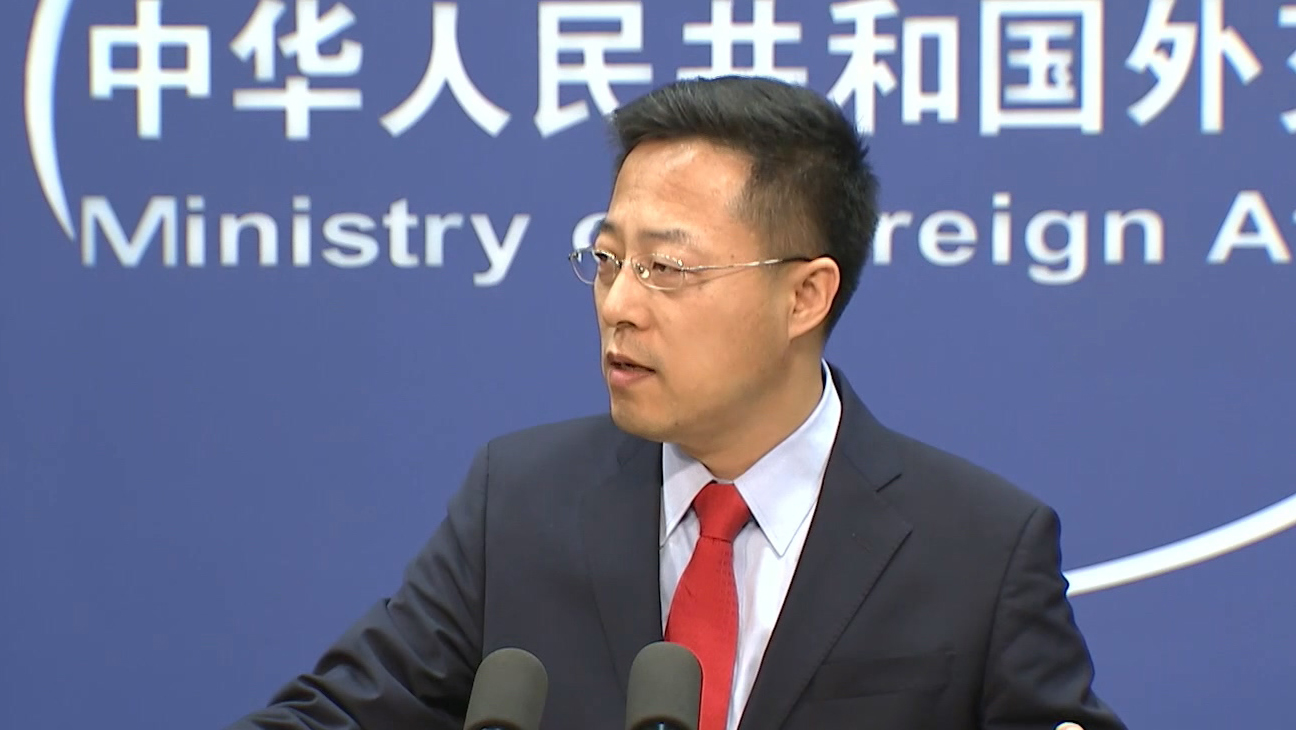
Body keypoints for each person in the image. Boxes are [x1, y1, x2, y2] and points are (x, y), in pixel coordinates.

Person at [224, 76, 1127, 730]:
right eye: (607, 259)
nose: (618, 303)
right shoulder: (522, 503)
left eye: (667, 267)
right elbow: (334, 716)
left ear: (805, 296)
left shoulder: (977, 550)